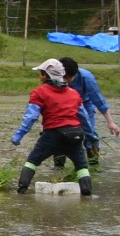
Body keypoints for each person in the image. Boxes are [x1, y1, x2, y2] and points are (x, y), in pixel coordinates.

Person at [12, 58, 92, 196]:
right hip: (75, 135)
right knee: (82, 167)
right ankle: (87, 194)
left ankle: (22, 189)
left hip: (52, 135)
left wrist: (19, 135)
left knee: (32, 161)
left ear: (44, 75)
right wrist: (90, 137)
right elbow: (84, 117)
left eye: (40, 73)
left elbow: (31, 117)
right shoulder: (74, 93)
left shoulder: (39, 92)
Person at [59, 56, 116, 169]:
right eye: (63, 78)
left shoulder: (86, 78)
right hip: (63, 105)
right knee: (60, 133)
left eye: (68, 78)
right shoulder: (55, 75)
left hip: (84, 104)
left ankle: (94, 163)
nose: (65, 81)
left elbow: (98, 101)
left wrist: (110, 122)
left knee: (90, 132)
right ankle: (59, 165)